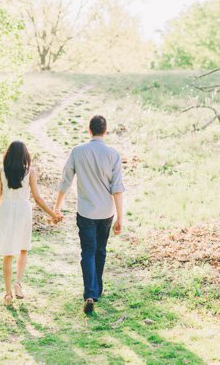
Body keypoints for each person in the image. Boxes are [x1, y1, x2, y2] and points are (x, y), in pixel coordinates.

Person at [54, 115, 126, 315]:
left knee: (88, 251)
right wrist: (120, 217)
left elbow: (65, 181)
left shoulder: (78, 152)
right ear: (105, 131)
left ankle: (90, 293)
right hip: (106, 212)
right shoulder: (113, 154)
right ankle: (97, 289)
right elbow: (117, 188)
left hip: (85, 212)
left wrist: (57, 207)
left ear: (89, 130)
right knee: (100, 250)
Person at [0, 141, 63, 306]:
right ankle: (18, 283)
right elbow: (37, 198)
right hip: (24, 209)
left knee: (8, 254)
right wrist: (53, 214)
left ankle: (8, 293)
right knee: (23, 249)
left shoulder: (0, 172)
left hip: (7, 210)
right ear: (25, 155)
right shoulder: (30, 172)